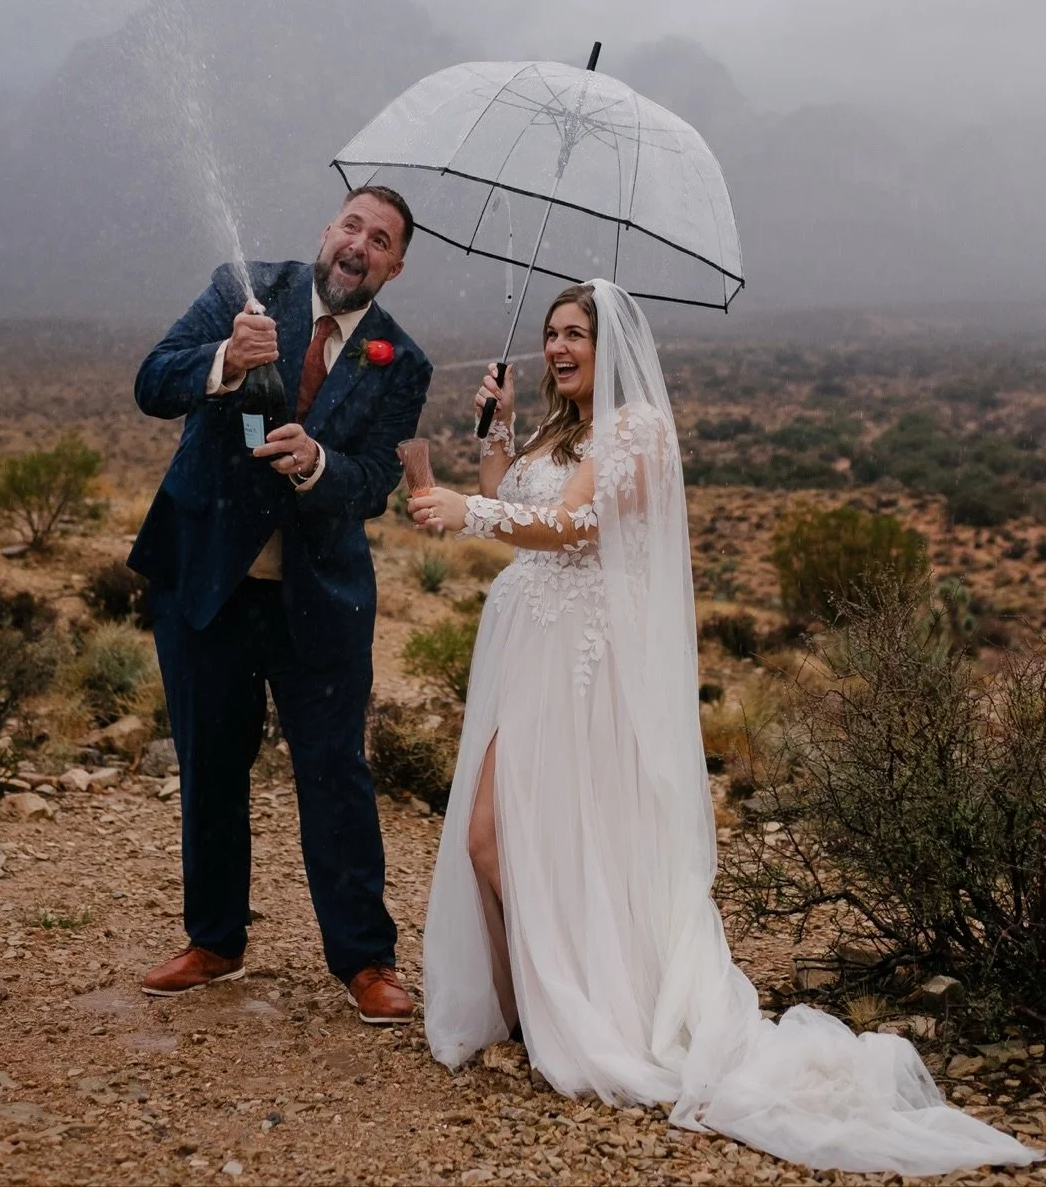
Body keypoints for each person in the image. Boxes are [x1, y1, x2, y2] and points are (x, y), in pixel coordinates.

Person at [408, 280, 1040, 1174]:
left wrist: (470, 512)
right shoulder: (560, 428)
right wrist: (499, 434)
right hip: (529, 653)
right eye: (551, 333)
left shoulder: (639, 431)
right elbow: (516, 509)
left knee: (509, 839)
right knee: (497, 837)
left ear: (613, 345)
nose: (558, 347)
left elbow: (575, 524)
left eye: (575, 332)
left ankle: (579, 1007)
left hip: (582, 668)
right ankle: (539, 1002)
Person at [129, 185, 431, 1024]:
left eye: (380, 240)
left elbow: (373, 481)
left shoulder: (401, 362)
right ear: (326, 232)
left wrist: (318, 466)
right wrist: (224, 361)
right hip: (209, 582)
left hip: (319, 601)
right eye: (351, 226)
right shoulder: (243, 288)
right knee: (212, 764)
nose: (359, 245)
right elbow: (153, 382)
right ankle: (215, 942)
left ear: (394, 266)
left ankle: (365, 962)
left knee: (335, 775)